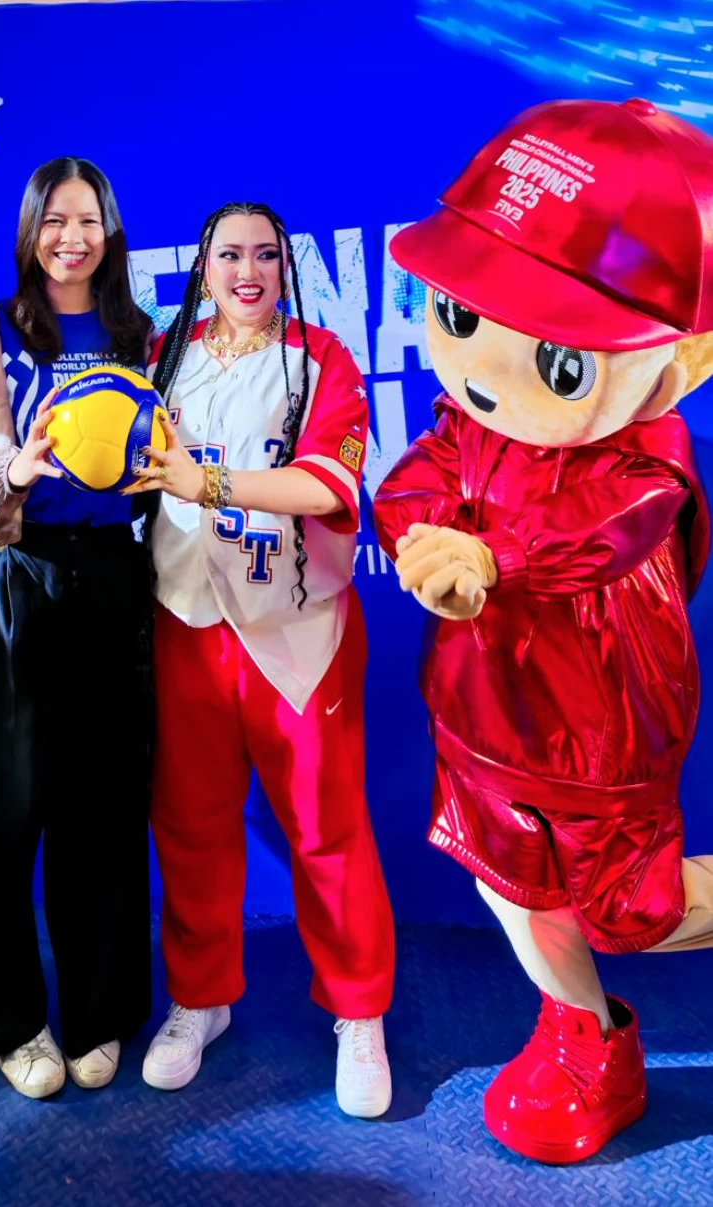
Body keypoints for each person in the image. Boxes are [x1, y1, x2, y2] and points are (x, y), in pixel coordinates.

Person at [374, 96, 713, 1163]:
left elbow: (603, 530)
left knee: (632, 906)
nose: (482, 373)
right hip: (482, 714)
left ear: (688, 358)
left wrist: (491, 559)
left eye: (561, 361)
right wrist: (429, 534)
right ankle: (588, 1036)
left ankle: (596, 1014)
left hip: (597, 727)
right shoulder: (464, 424)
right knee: (505, 873)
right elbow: (416, 479)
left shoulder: (646, 458)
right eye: (462, 317)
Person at [131, 202, 396, 1117]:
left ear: (286, 265)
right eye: (229, 254)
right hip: (183, 620)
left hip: (295, 632)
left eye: (265, 254)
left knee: (326, 828)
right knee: (192, 823)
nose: (248, 270)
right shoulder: (167, 350)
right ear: (202, 266)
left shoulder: (319, 355)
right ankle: (201, 997)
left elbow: (328, 483)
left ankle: (359, 1010)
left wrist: (208, 481)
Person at [0, 157, 155, 1099]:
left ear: (110, 229)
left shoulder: (144, 333)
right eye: (54, 220)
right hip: (9, 579)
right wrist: (15, 469)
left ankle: (100, 1014)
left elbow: (172, 452)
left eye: (87, 219)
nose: (71, 237)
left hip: (111, 586)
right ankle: (10, 1022)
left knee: (102, 807)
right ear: (30, 231)